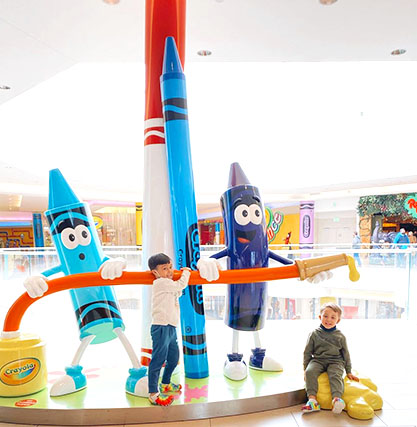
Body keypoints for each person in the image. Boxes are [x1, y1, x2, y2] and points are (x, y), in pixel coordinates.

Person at [146, 253, 190, 406]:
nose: (170, 271)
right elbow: (180, 286)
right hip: (161, 326)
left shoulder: (167, 283)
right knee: (158, 359)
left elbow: (177, 292)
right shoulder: (161, 283)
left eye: (171, 267)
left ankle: (165, 383)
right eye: (165, 269)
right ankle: (153, 393)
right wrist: (186, 272)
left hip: (171, 326)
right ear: (155, 273)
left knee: (173, 358)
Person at [301, 303, 359, 415]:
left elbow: (346, 354)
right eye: (325, 316)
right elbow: (307, 352)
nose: (329, 320)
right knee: (310, 372)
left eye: (333, 317)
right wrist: (305, 369)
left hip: (335, 361)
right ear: (320, 317)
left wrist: (349, 371)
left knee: (335, 374)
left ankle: (337, 399)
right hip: (318, 360)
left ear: (338, 320)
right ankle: (312, 400)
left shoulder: (340, 336)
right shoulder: (314, 334)